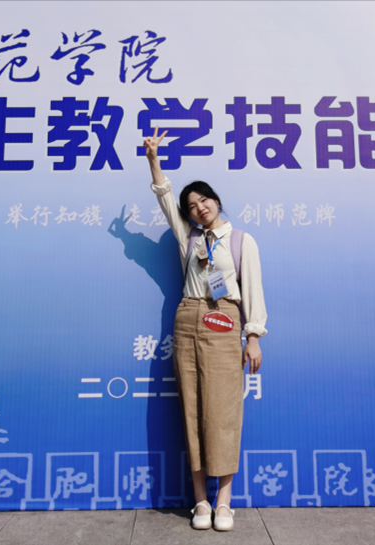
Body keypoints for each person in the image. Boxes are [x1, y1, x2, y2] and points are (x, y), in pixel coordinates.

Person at [144, 127, 267, 531]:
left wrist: (252, 336)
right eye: (192, 206)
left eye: (204, 200)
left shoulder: (242, 241)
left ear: (216, 201)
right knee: (192, 410)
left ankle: (224, 502)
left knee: (224, 411)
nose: (199, 208)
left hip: (224, 320)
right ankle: (200, 501)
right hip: (188, 319)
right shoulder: (189, 238)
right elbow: (165, 196)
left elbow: (253, 290)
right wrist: (153, 159)